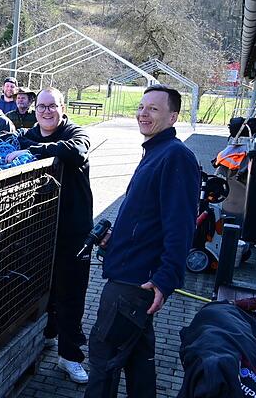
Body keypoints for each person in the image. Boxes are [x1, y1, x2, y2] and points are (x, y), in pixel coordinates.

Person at [84, 84, 200, 398]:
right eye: (141, 106)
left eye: (153, 109)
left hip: (134, 282)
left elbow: (180, 226)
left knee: (103, 358)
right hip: (130, 272)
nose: (143, 114)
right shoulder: (156, 152)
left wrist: (166, 279)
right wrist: (115, 239)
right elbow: (146, 219)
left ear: (173, 116)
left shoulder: (176, 156)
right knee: (138, 361)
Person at [5, 87, 93, 384]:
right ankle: (47, 334)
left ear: (62, 107)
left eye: (52, 106)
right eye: (41, 106)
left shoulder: (75, 133)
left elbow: (76, 151)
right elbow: (10, 147)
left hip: (73, 229)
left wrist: (32, 152)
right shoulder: (29, 134)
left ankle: (70, 356)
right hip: (39, 227)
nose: (46, 111)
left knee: (71, 292)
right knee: (42, 285)